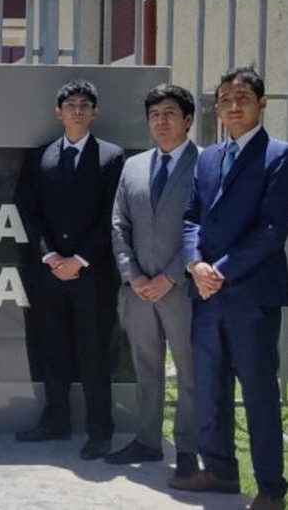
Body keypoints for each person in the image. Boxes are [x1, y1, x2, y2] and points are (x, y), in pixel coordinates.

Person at [172, 67, 288, 510]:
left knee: (258, 394)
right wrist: (194, 263)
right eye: (225, 100)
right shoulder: (207, 158)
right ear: (216, 107)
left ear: (262, 104)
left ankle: (271, 488)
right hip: (206, 297)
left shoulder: (279, 156)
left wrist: (217, 270)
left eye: (243, 98)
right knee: (210, 389)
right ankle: (220, 470)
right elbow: (191, 218)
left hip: (250, 297)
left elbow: (272, 228)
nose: (233, 106)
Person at [15, 79, 124, 460]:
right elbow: (27, 210)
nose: (77, 111)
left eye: (84, 105)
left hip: (92, 275)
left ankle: (100, 431)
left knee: (93, 354)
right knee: (52, 349)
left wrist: (79, 259)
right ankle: (55, 421)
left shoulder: (112, 157)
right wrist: (49, 256)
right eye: (70, 105)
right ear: (58, 113)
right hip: (47, 274)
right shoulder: (39, 158)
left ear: (94, 113)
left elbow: (113, 214)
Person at [106, 84, 199, 478]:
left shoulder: (205, 164)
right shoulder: (134, 166)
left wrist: (170, 276)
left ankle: (189, 448)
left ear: (188, 119)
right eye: (154, 115)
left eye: (169, 114)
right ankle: (147, 439)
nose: (161, 122)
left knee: (191, 370)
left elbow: (205, 228)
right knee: (146, 367)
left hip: (184, 289)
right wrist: (133, 274)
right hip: (139, 290)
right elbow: (119, 224)